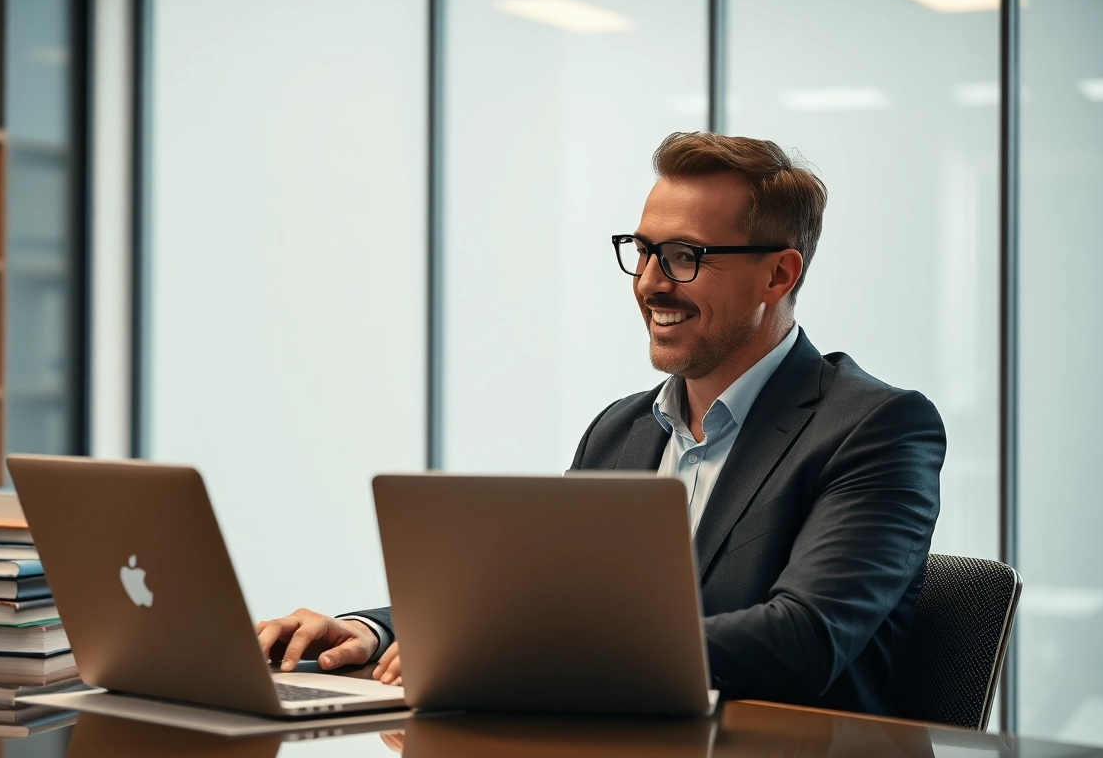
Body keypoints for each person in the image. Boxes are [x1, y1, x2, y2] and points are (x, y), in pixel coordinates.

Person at [254, 132, 946, 717]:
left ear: (777, 276)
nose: (649, 282)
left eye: (684, 256)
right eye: (642, 250)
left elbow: (804, 640)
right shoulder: (622, 432)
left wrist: (545, 648)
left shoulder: (876, 428)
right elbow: (526, 601)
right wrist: (369, 631)